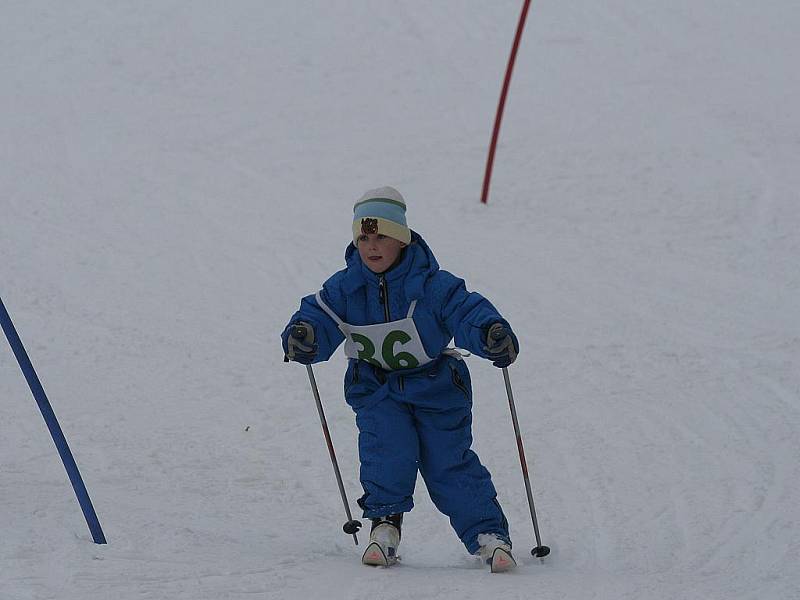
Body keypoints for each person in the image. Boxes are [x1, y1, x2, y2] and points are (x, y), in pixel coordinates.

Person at [281, 187, 520, 572]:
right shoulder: (345, 287)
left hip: (436, 387)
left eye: (382, 238)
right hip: (377, 388)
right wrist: (304, 333)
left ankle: (488, 535)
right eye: (363, 238)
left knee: (448, 463)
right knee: (386, 450)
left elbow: (466, 310)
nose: (372, 248)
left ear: (402, 239)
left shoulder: (432, 285)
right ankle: (385, 525)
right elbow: (319, 314)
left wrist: (491, 331)